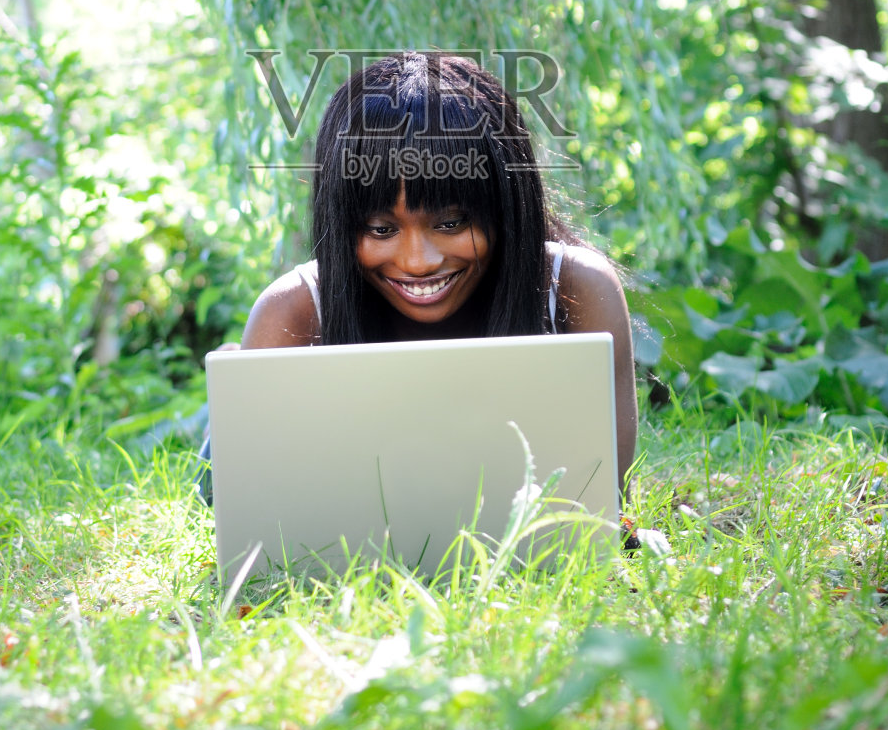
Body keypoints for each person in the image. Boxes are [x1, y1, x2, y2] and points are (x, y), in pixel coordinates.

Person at [237, 52, 637, 492]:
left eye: (450, 224)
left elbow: (605, 499)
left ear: (506, 206)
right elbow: (261, 508)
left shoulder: (576, 289)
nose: (417, 262)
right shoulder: (292, 312)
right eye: (381, 229)